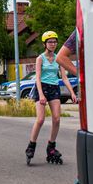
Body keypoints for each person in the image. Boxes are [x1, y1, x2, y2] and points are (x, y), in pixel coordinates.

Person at [25, 31, 77, 165]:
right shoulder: (40, 58)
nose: (53, 44)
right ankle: (31, 145)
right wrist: (41, 94)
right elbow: (37, 78)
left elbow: (64, 78)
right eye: (50, 42)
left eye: (55, 41)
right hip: (41, 87)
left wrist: (72, 92)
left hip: (54, 88)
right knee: (40, 119)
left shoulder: (58, 58)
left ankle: (51, 147)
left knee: (57, 119)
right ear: (44, 44)